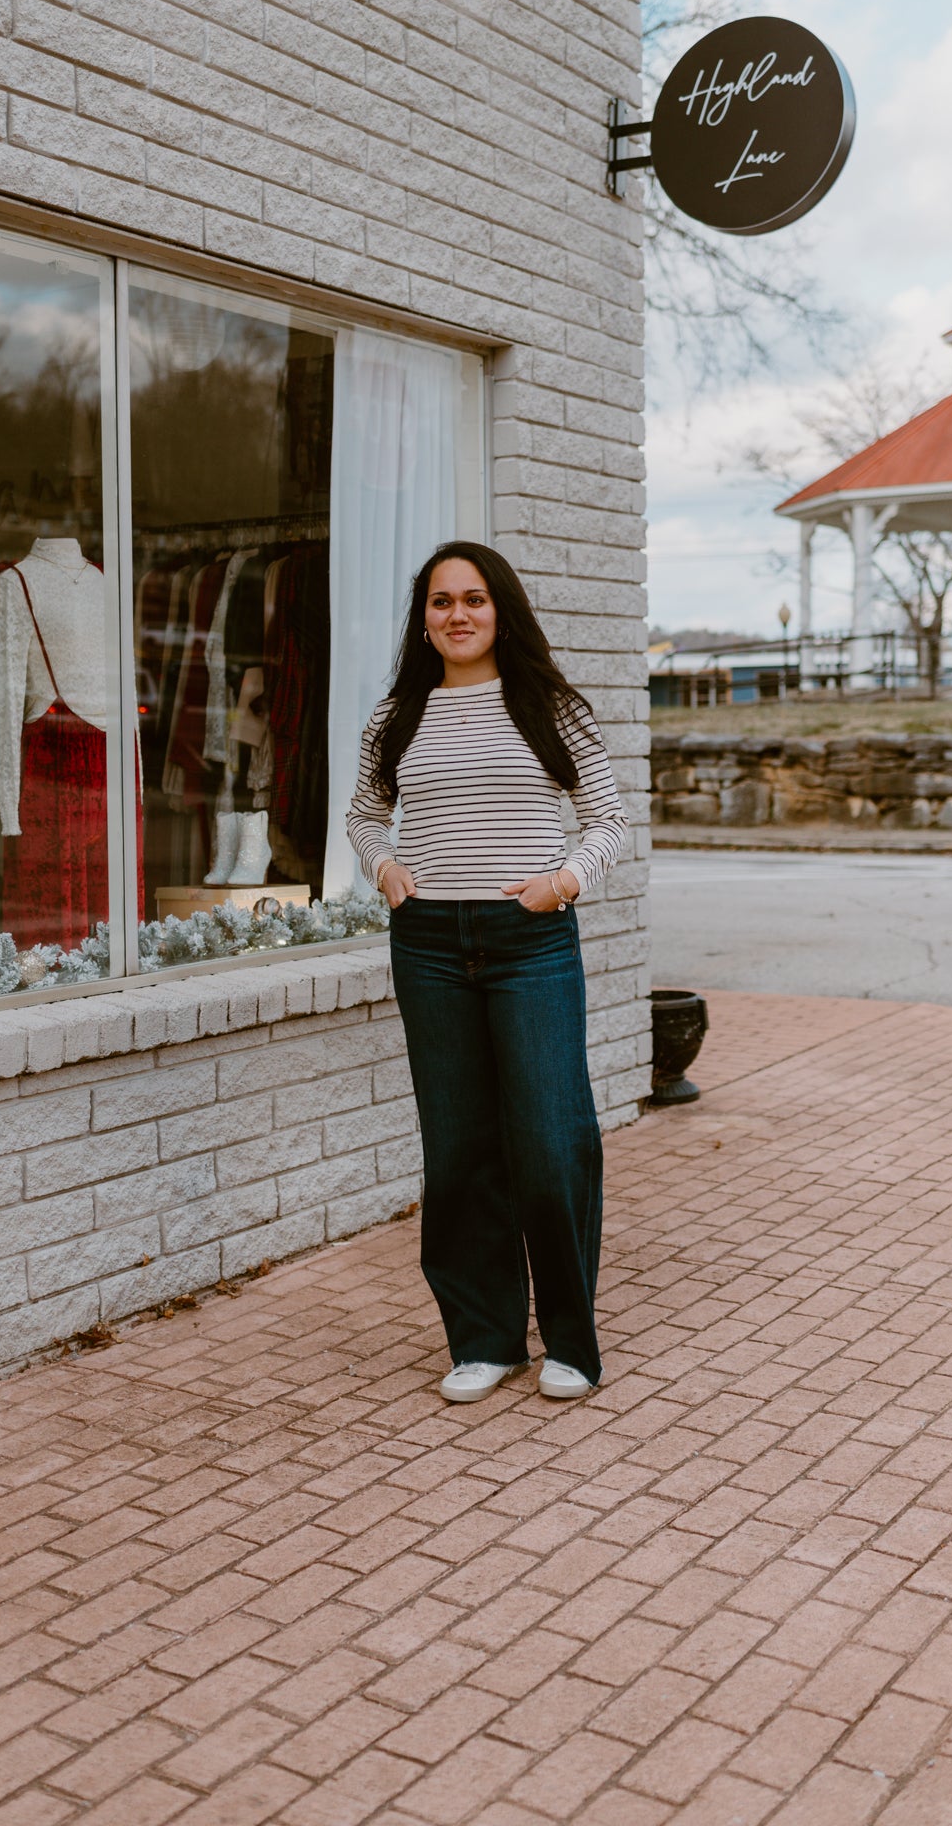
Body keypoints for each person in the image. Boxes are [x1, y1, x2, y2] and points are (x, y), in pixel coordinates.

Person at [347, 542, 628, 1403]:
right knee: (459, 1145)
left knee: (550, 1140)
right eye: (439, 602)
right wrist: (387, 873)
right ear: (422, 618)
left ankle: (570, 1344)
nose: (456, 615)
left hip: (528, 942)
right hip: (427, 944)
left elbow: (607, 821)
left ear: (500, 609)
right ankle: (485, 1338)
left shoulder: (550, 708)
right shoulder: (397, 715)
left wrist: (562, 883)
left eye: (473, 599)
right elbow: (364, 817)